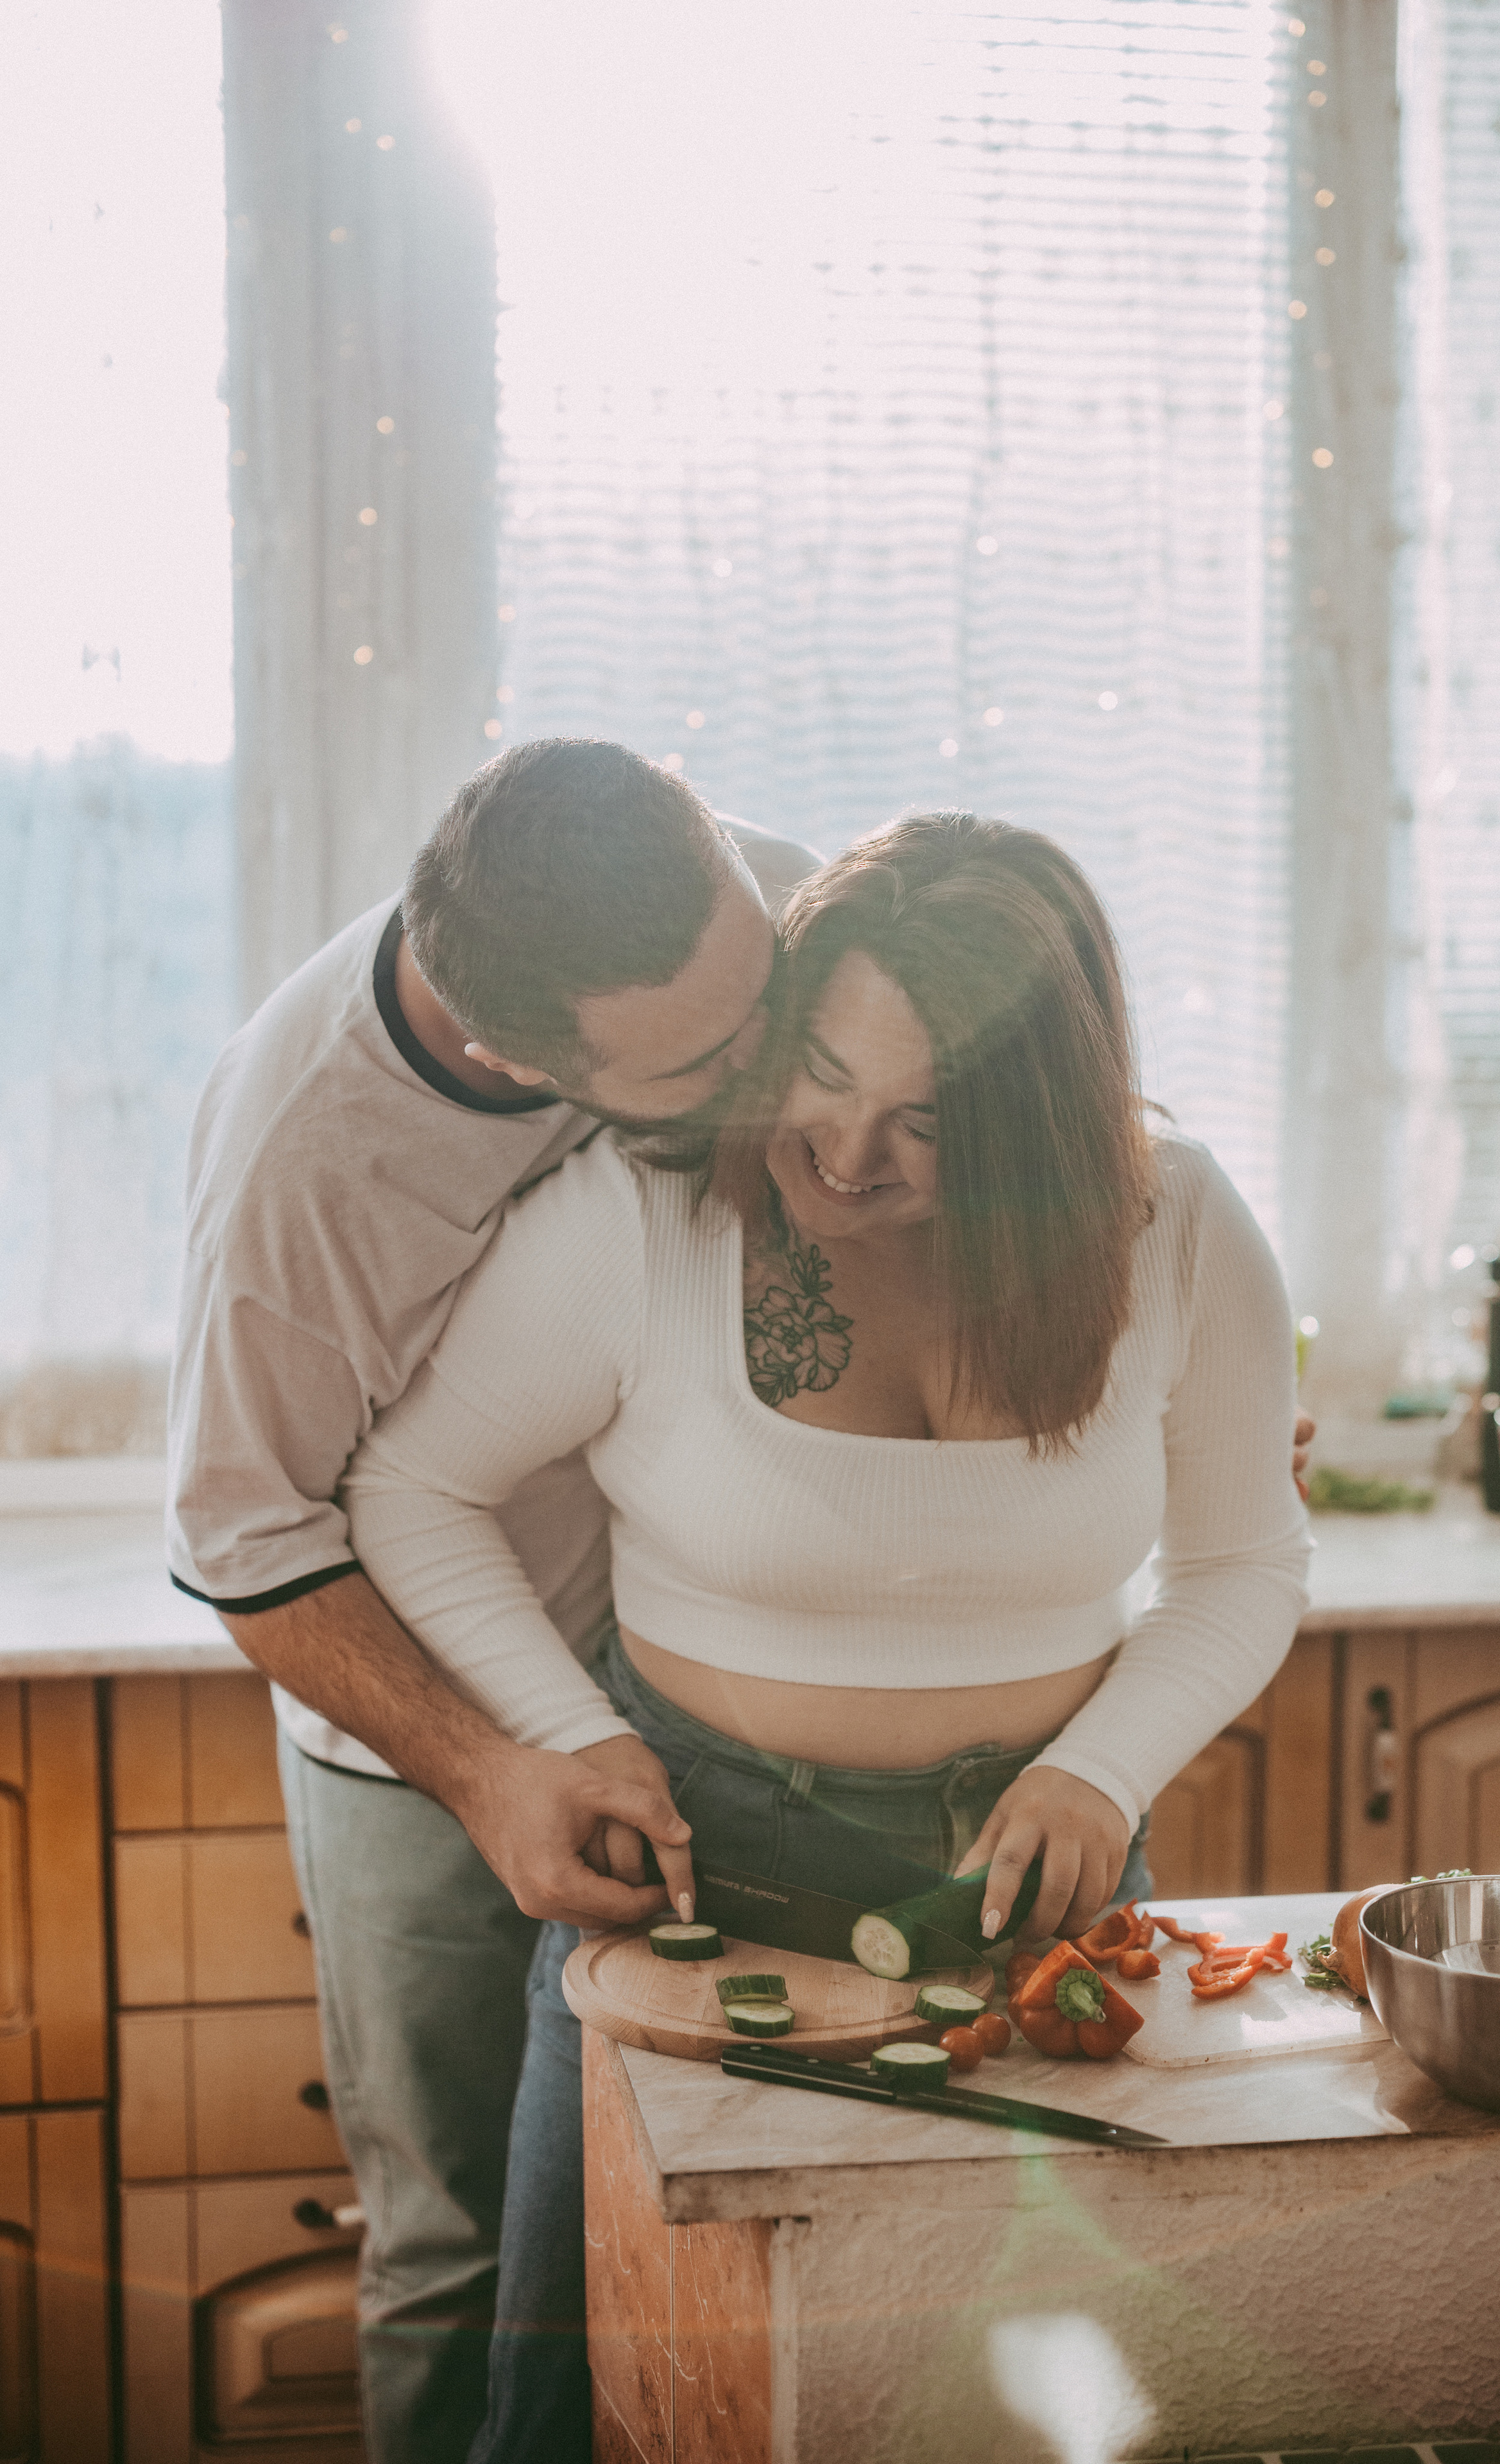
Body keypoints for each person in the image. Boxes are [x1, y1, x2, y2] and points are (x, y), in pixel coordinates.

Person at [341, 811, 1314, 2458]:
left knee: (1019, 2393)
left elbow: (1241, 1563)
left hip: (1047, 1897)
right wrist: (565, 1738)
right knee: (588, 2393)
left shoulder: (1178, 1223)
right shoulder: (642, 1216)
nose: (850, 1157)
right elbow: (411, 1490)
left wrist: (1099, 1774)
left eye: (931, 1119)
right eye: (824, 1078)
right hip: (694, 1885)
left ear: (1047, 1121)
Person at [165, 737, 817, 2463]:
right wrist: (488, 1770)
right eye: (714, 1054)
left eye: (761, 979)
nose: (771, 1049)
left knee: (713, 2214)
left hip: (688, 1685)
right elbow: (242, 1535)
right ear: (526, 1058)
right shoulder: (306, 1173)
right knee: (465, 2255)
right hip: (424, 1760)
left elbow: (976, 1053)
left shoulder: (713, 907)